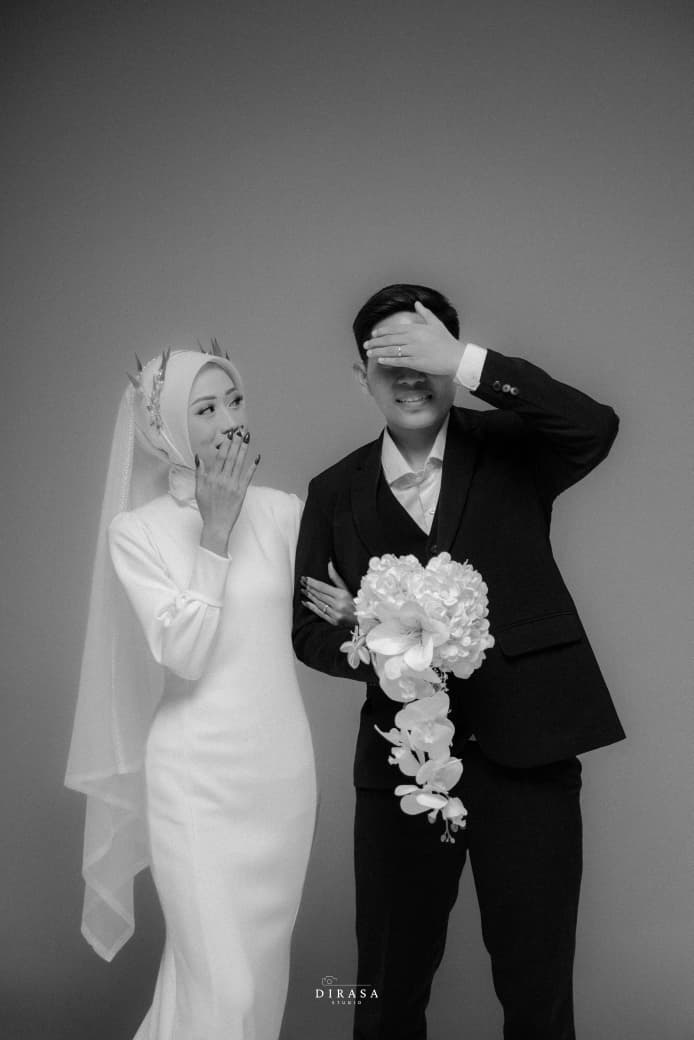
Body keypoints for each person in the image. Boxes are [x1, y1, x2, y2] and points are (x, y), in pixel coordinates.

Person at [293, 284, 625, 1040]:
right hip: (402, 768)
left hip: (528, 752)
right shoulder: (333, 491)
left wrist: (468, 361)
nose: (411, 377)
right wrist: (376, 639)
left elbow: (596, 427)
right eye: (390, 360)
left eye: (427, 357)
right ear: (360, 375)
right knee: (385, 988)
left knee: (538, 987)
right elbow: (309, 632)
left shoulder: (512, 447)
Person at [66, 344, 319, 1040]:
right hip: (197, 781)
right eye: (205, 409)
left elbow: (326, 622)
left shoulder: (284, 512)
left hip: (282, 780)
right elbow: (186, 650)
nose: (229, 421)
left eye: (234, 401)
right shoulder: (137, 532)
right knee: (223, 987)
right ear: (167, 429)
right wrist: (215, 529)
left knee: (260, 981)